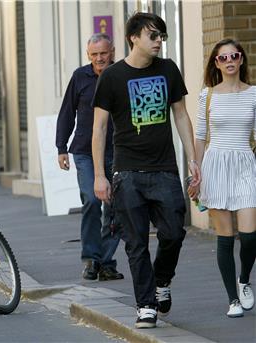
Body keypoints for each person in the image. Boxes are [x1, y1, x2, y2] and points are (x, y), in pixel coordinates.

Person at [91, 12, 200, 329]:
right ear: (133, 37)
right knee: (136, 243)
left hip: (164, 169)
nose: (158, 42)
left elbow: (180, 115)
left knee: (173, 233)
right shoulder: (111, 77)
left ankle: (161, 280)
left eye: (161, 37)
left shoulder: (168, 69)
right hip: (127, 172)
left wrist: (192, 158)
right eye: (153, 36)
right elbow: (99, 129)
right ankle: (146, 305)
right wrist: (100, 174)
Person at [188, 38, 255, 318]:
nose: (229, 61)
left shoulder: (253, 94)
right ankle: (233, 300)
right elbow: (201, 137)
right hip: (215, 165)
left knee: (250, 236)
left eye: (234, 56)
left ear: (241, 60)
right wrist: (197, 171)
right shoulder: (208, 95)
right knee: (225, 237)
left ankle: (244, 280)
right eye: (222, 58)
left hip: (245, 163)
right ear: (216, 63)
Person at [56, 33, 123, 282]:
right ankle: (91, 259)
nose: (99, 58)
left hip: (116, 152)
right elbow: (67, 112)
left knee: (115, 207)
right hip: (84, 151)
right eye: (94, 54)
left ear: (112, 52)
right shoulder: (79, 77)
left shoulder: (121, 74)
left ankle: (106, 261)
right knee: (92, 202)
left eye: (103, 53)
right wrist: (61, 147)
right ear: (88, 56)